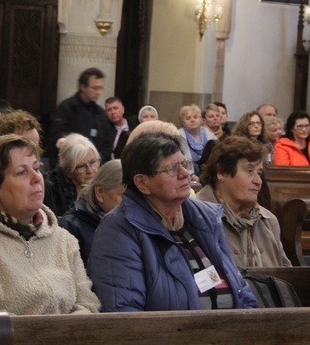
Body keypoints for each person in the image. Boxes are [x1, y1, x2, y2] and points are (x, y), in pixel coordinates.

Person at [88, 132, 256, 311]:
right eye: (171, 169)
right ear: (142, 183)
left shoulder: (205, 218)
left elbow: (242, 291)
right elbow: (124, 314)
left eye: (183, 164)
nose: (185, 174)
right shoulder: (118, 231)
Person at [0, 134, 100, 316]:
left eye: (36, 169)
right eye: (22, 172)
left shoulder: (64, 239)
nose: (37, 178)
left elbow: (89, 305)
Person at [197, 136, 291, 268]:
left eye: (259, 172)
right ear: (221, 172)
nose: (258, 181)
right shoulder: (196, 217)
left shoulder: (268, 220)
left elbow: (288, 280)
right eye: (249, 170)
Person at [59, 159, 125, 267]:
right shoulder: (70, 227)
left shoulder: (136, 220)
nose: (132, 204)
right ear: (100, 192)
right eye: (125, 196)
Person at [49, 67, 112, 162]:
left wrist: (97, 160)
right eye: (95, 88)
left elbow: (107, 142)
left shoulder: (100, 113)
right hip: (71, 162)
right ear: (83, 87)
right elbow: (58, 137)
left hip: (94, 165)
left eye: (100, 88)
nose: (99, 92)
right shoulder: (66, 108)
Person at [43, 133, 101, 216]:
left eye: (93, 162)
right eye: (81, 166)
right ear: (69, 171)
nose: (90, 170)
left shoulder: (104, 186)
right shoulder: (52, 191)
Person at [177, 104, 212, 174]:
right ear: (183, 122)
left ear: (201, 120)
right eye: (188, 118)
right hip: (187, 176)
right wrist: (192, 176)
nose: (192, 120)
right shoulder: (178, 135)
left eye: (195, 117)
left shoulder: (209, 134)